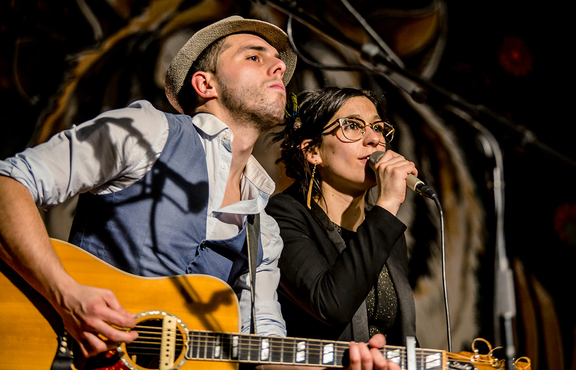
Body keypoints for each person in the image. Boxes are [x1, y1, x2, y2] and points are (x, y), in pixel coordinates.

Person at [0, 16, 398, 370]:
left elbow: (267, 349)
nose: (279, 65)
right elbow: (7, 184)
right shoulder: (145, 131)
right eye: (254, 57)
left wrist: (339, 364)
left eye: (278, 61)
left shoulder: (264, 224)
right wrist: (66, 294)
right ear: (205, 83)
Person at [266, 87, 418, 347]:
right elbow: (331, 305)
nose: (374, 139)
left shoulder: (383, 226)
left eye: (378, 127)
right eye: (352, 125)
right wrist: (389, 201)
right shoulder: (283, 215)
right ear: (313, 151)